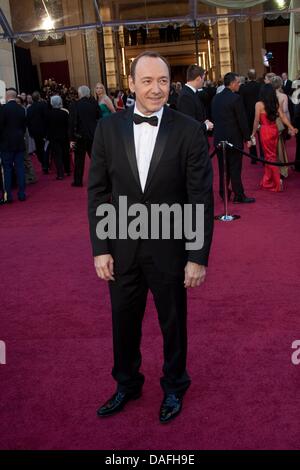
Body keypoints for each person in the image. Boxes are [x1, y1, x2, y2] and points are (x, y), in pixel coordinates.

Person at [88, 51, 214, 423]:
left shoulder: (188, 129)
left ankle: (175, 386)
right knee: (122, 321)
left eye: (162, 81)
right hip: (122, 246)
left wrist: (197, 256)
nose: (156, 89)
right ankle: (127, 383)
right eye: (147, 81)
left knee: (173, 322)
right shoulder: (107, 129)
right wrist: (100, 249)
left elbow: (200, 198)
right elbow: (97, 192)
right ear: (131, 84)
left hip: (171, 248)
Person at [211, 72, 255, 203]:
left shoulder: (216, 98)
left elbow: (213, 117)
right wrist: (248, 138)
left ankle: (223, 192)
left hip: (219, 139)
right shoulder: (236, 98)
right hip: (234, 139)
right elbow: (242, 120)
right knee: (235, 168)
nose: (239, 85)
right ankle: (239, 195)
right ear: (232, 83)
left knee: (223, 168)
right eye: (237, 82)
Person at [251, 84, 297, 192]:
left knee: (270, 157)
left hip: (265, 131)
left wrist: (253, 133)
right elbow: (283, 117)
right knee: (271, 156)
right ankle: (268, 180)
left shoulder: (259, 104)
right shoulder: (275, 103)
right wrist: (291, 127)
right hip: (274, 130)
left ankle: (277, 183)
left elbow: (256, 121)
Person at [69, 85, 100, 187]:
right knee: (95, 159)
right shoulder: (94, 103)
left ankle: (78, 181)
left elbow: (72, 122)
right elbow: (98, 117)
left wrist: (71, 138)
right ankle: (100, 179)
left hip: (80, 136)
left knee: (79, 160)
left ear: (80, 94)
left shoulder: (75, 105)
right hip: (93, 134)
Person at [0, 88, 27, 203]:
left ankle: (9, 196)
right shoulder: (21, 109)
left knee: (7, 169)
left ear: (7, 96)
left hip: (6, 143)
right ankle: (22, 194)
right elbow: (23, 127)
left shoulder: (3, 109)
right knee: (20, 168)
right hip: (19, 142)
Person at [177, 65, 214, 137]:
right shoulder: (186, 96)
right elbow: (188, 124)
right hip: (194, 142)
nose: (204, 81)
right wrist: (205, 126)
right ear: (198, 78)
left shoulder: (191, 93)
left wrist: (204, 121)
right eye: (203, 79)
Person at [239, 69, 262, 164]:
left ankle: (254, 157)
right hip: (260, 114)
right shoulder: (260, 86)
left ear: (247, 76)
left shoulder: (243, 88)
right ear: (255, 76)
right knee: (262, 136)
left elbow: (241, 102)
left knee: (251, 136)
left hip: (248, 115)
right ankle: (263, 155)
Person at [47, 95, 70, 180]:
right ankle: (67, 170)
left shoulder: (48, 114)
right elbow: (68, 125)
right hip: (64, 136)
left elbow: (47, 126)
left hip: (53, 137)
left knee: (57, 155)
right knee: (65, 153)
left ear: (52, 103)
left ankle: (60, 174)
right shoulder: (64, 113)